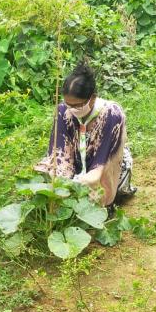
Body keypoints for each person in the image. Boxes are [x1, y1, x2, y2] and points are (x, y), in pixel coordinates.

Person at [36, 63, 136, 209]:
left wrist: (82, 183)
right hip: (77, 166)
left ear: (93, 98)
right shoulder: (63, 111)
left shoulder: (111, 114)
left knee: (100, 195)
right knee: (48, 175)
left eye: (77, 105)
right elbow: (59, 155)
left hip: (108, 166)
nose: (72, 109)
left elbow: (101, 165)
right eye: (68, 104)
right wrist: (58, 181)